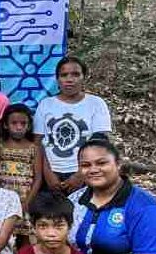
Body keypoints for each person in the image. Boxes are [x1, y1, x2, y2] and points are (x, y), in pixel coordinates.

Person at [70, 137, 156, 254]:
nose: (93, 169)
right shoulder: (74, 200)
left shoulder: (146, 207)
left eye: (101, 163)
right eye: (85, 165)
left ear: (118, 164)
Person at [34, 55, 112, 195]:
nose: (69, 79)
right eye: (64, 75)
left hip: (87, 174)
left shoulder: (96, 104)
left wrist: (80, 174)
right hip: (51, 174)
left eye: (75, 74)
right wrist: (48, 174)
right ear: (57, 79)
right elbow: (38, 144)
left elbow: (100, 144)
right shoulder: (46, 104)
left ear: (84, 77)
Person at [0, 104, 42, 246]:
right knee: (5, 236)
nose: (19, 127)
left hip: (26, 199)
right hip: (4, 202)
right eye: (14, 123)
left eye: (23, 123)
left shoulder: (34, 148)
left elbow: (38, 178)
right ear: (6, 125)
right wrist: (5, 197)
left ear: (29, 125)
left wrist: (27, 202)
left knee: (26, 238)